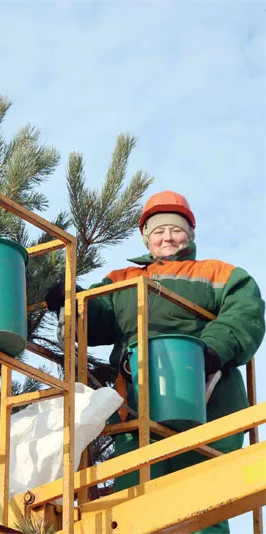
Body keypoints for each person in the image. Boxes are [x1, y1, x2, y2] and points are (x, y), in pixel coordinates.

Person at [45, 190, 264, 534]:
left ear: (189, 234)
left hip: (208, 404)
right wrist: (71, 301)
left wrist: (210, 351)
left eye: (175, 230)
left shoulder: (220, 274)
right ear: (147, 237)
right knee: (133, 503)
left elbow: (246, 313)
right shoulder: (123, 279)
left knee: (201, 503)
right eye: (158, 231)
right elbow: (97, 317)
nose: (167, 237)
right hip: (138, 406)